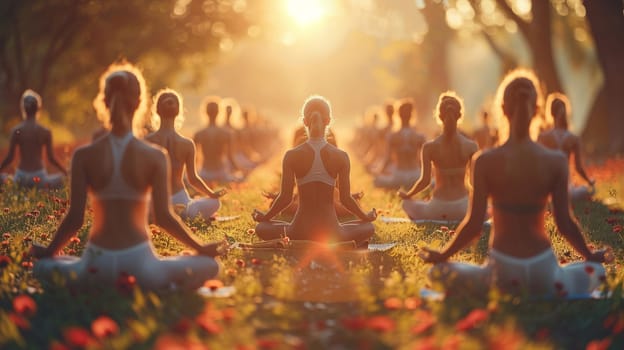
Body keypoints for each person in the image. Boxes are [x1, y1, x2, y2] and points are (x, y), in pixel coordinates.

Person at [30, 63, 224, 291]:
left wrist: (49, 251)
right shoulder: (154, 156)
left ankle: (84, 277)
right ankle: (163, 287)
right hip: (140, 265)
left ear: (103, 102)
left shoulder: (83, 156)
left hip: (96, 265)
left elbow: (75, 219)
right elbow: (163, 218)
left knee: (42, 266)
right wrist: (200, 248)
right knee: (209, 266)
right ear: (140, 103)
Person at [420, 70, 608, 298]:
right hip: (543, 272)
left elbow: (474, 225)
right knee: (596, 270)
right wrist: (589, 254)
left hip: (503, 273)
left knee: (438, 272)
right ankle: (560, 282)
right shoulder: (555, 161)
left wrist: (442, 255)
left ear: (502, 110)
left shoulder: (485, 162)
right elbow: (565, 223)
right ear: (537, 110)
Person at [252, 95, 376, 246]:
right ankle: (335, 241)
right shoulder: (341, 156)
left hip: (299, 231)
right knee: (368, 227)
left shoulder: (292, 155)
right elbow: (345, 199)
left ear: (304, 121)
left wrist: (266, 217)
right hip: (331, 231)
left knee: (262, 228)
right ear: (328, 120)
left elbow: (286, 198)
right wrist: (365, 216)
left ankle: (303, 240)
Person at [146, 89, 226, 220]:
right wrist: (211, 194)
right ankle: (182, 212)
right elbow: (192, 178)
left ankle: (157, 214)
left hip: (154, 201)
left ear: (157, 110)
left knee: (147, 210)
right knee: (214, 203)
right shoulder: (187, 144)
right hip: (180, 199)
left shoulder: (146, 140)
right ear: (179, 111)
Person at [398, 92, 478, 222]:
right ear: (460, 116)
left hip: (437, 209)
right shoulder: (471, 146)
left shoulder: (429, 147)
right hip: (463, 209)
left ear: (439, 116)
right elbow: (474, 183)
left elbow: (425, 181)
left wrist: (408, 195)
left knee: (406, 204)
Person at [0, 90, 68, 188]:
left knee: (3, 178)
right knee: (62, 179)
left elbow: (10, 157)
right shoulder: (45, 132)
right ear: (38, 108)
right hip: (39, 177)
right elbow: (51, 158)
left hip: (21, 178)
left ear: (23, 108)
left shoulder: (16, 131)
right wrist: (65, 172)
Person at [537, 92, 595, 201]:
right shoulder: (573, 138)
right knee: (584, 191)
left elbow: (538, 165)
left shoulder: (543, 137)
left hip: (547, 185)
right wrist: (589, 181)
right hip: (565, 185)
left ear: (551, 113)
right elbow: (578, 168)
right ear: (565, 112)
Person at [374, 98, 425, 190]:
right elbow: (423, 162)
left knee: (376, 180)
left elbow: (387, 159)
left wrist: (379, 172)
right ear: (412, 115)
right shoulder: (419, 136)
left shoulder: (392, 136)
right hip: (416, 176)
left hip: (399, 177)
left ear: (398, 115)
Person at [194, 97, 242, 186]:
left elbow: (195, 160)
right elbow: (230, 158)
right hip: (221, 173)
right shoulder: (227, 134)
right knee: (240, 178)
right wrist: (240, 169)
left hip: (204, 173)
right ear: (219, 112)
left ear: (205, 112)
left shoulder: (199, 134)